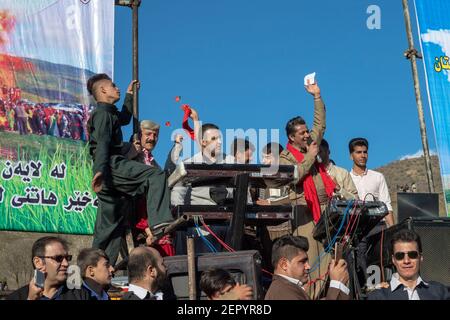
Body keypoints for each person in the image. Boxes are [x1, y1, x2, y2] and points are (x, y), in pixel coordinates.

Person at [86, 73, 173, 266]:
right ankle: (159, 222)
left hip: (110, 174)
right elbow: (102, 145)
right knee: (156, 175)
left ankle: (96, 266)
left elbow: (125, 118)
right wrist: (99, 171)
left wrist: (129, 96)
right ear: (102, 90)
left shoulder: (110, 113)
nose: (116, 88)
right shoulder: (102, 115)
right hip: (112, 165)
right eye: (113, 86)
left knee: (111, 228)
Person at [274, 80, 335, 299]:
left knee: (329, 258)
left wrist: (317, 96)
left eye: (307, 131)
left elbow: (320, 125)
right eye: (302, 133)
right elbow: (297, 174)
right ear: (291, 137)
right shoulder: (285, 157)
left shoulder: (311, 141)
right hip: (303, 214)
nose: (307, 135)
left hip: (324, 210)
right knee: (309, 261)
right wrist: (311, 155)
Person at [127, 119, 177, 256]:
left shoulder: (154, 162)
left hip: (154, 217)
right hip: (141, 219)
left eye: (155, 135)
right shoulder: (133, 158)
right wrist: (147, 229)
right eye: (148, 134)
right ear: (139, 135)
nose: (152, 138)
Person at [367, 229, 449, 300]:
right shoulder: (378, 296)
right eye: (400, 256)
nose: (406, 261)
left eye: (412, 254)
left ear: (420, 257)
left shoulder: (440, 292)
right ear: (393, 260)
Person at [265, 235, 350, 300]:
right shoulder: (282, 292)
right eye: (302, 261)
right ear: (284, 265)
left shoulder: (286, 288)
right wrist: (337, 284)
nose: (308, 266)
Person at [7, 236, 90, 300]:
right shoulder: (16, 297)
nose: (66, 263)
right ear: (38, 262)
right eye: (58, 258)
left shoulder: (81, 295)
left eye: (67, 258)